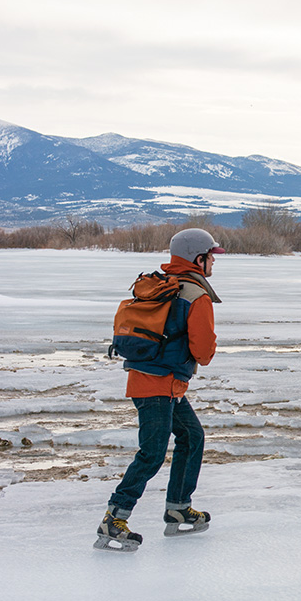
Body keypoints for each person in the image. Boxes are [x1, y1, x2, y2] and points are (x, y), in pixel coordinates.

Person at [94, 228, 224, 552]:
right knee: (152, 453)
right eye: (211, 257)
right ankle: (114, 518)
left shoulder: (165, 285)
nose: (214, 263)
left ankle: (178, 507)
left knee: (192, 436)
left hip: (153, 380)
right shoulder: (197, 295)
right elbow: (204, 353)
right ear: (198, 258)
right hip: (159, 384)